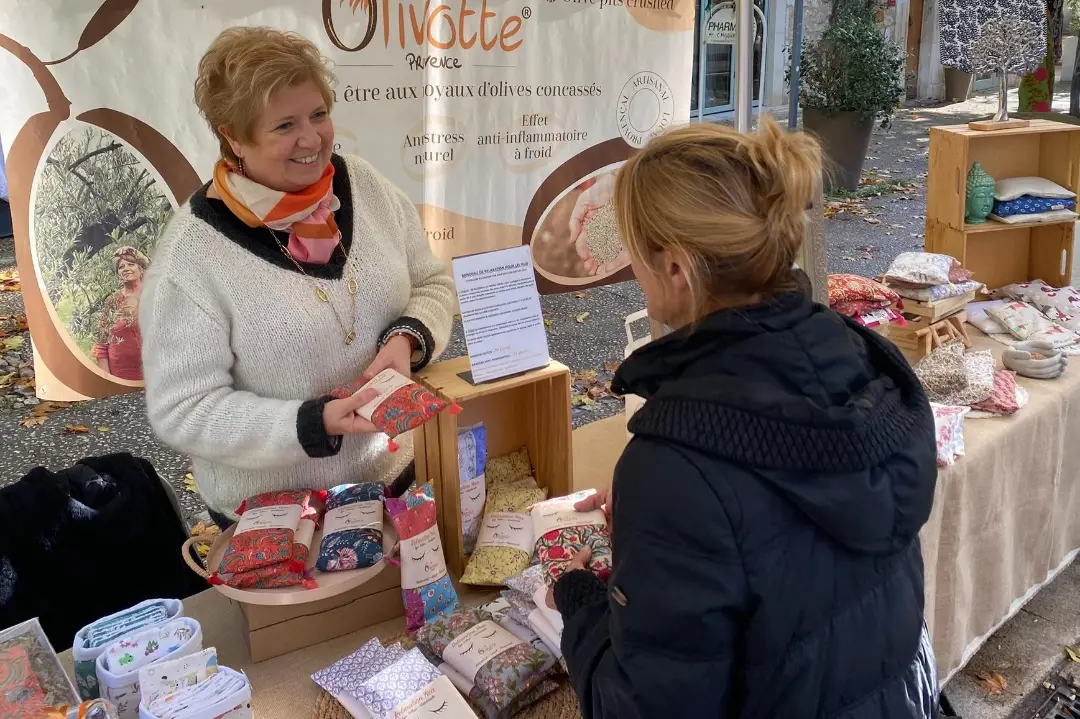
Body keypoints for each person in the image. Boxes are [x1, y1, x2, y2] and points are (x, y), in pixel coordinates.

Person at [551, 118, 940, 718]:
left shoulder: (676, 468)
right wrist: (664, 525)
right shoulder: (862, 359)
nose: (631, 269)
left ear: (677, 269)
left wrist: (578, 601)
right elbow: (783, 529)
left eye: (634, 251)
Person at [140, 27, 455, 528]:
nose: (311, 139)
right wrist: (310, 423)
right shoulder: (191, 256)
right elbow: (184, 410)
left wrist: (406, 338)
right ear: (233, 135)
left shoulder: (364, 185)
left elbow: (432, 284)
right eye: (284, 125)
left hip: (397, 483)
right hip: (280, 523)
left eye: (319, 114)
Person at [92, 245, 149, 381]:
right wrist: (108, 381)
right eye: (121, 267)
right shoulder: (112, 301)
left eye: (131, 264)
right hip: (122, 375)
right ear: (118, 274)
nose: (126, 269)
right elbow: (101, 344)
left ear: (140, 269)